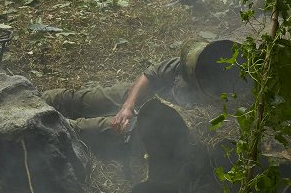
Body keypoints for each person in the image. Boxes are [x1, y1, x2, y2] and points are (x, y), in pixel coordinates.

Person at [43, 37, 249, 157]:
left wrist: (134, 119)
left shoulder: (224, 107)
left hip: (157, 126)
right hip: (147, 97)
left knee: (90, 128)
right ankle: (35, 99)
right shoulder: (188, 64)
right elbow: (150, 76)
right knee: (83, 99)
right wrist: (127, 106)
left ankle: (46, 128)